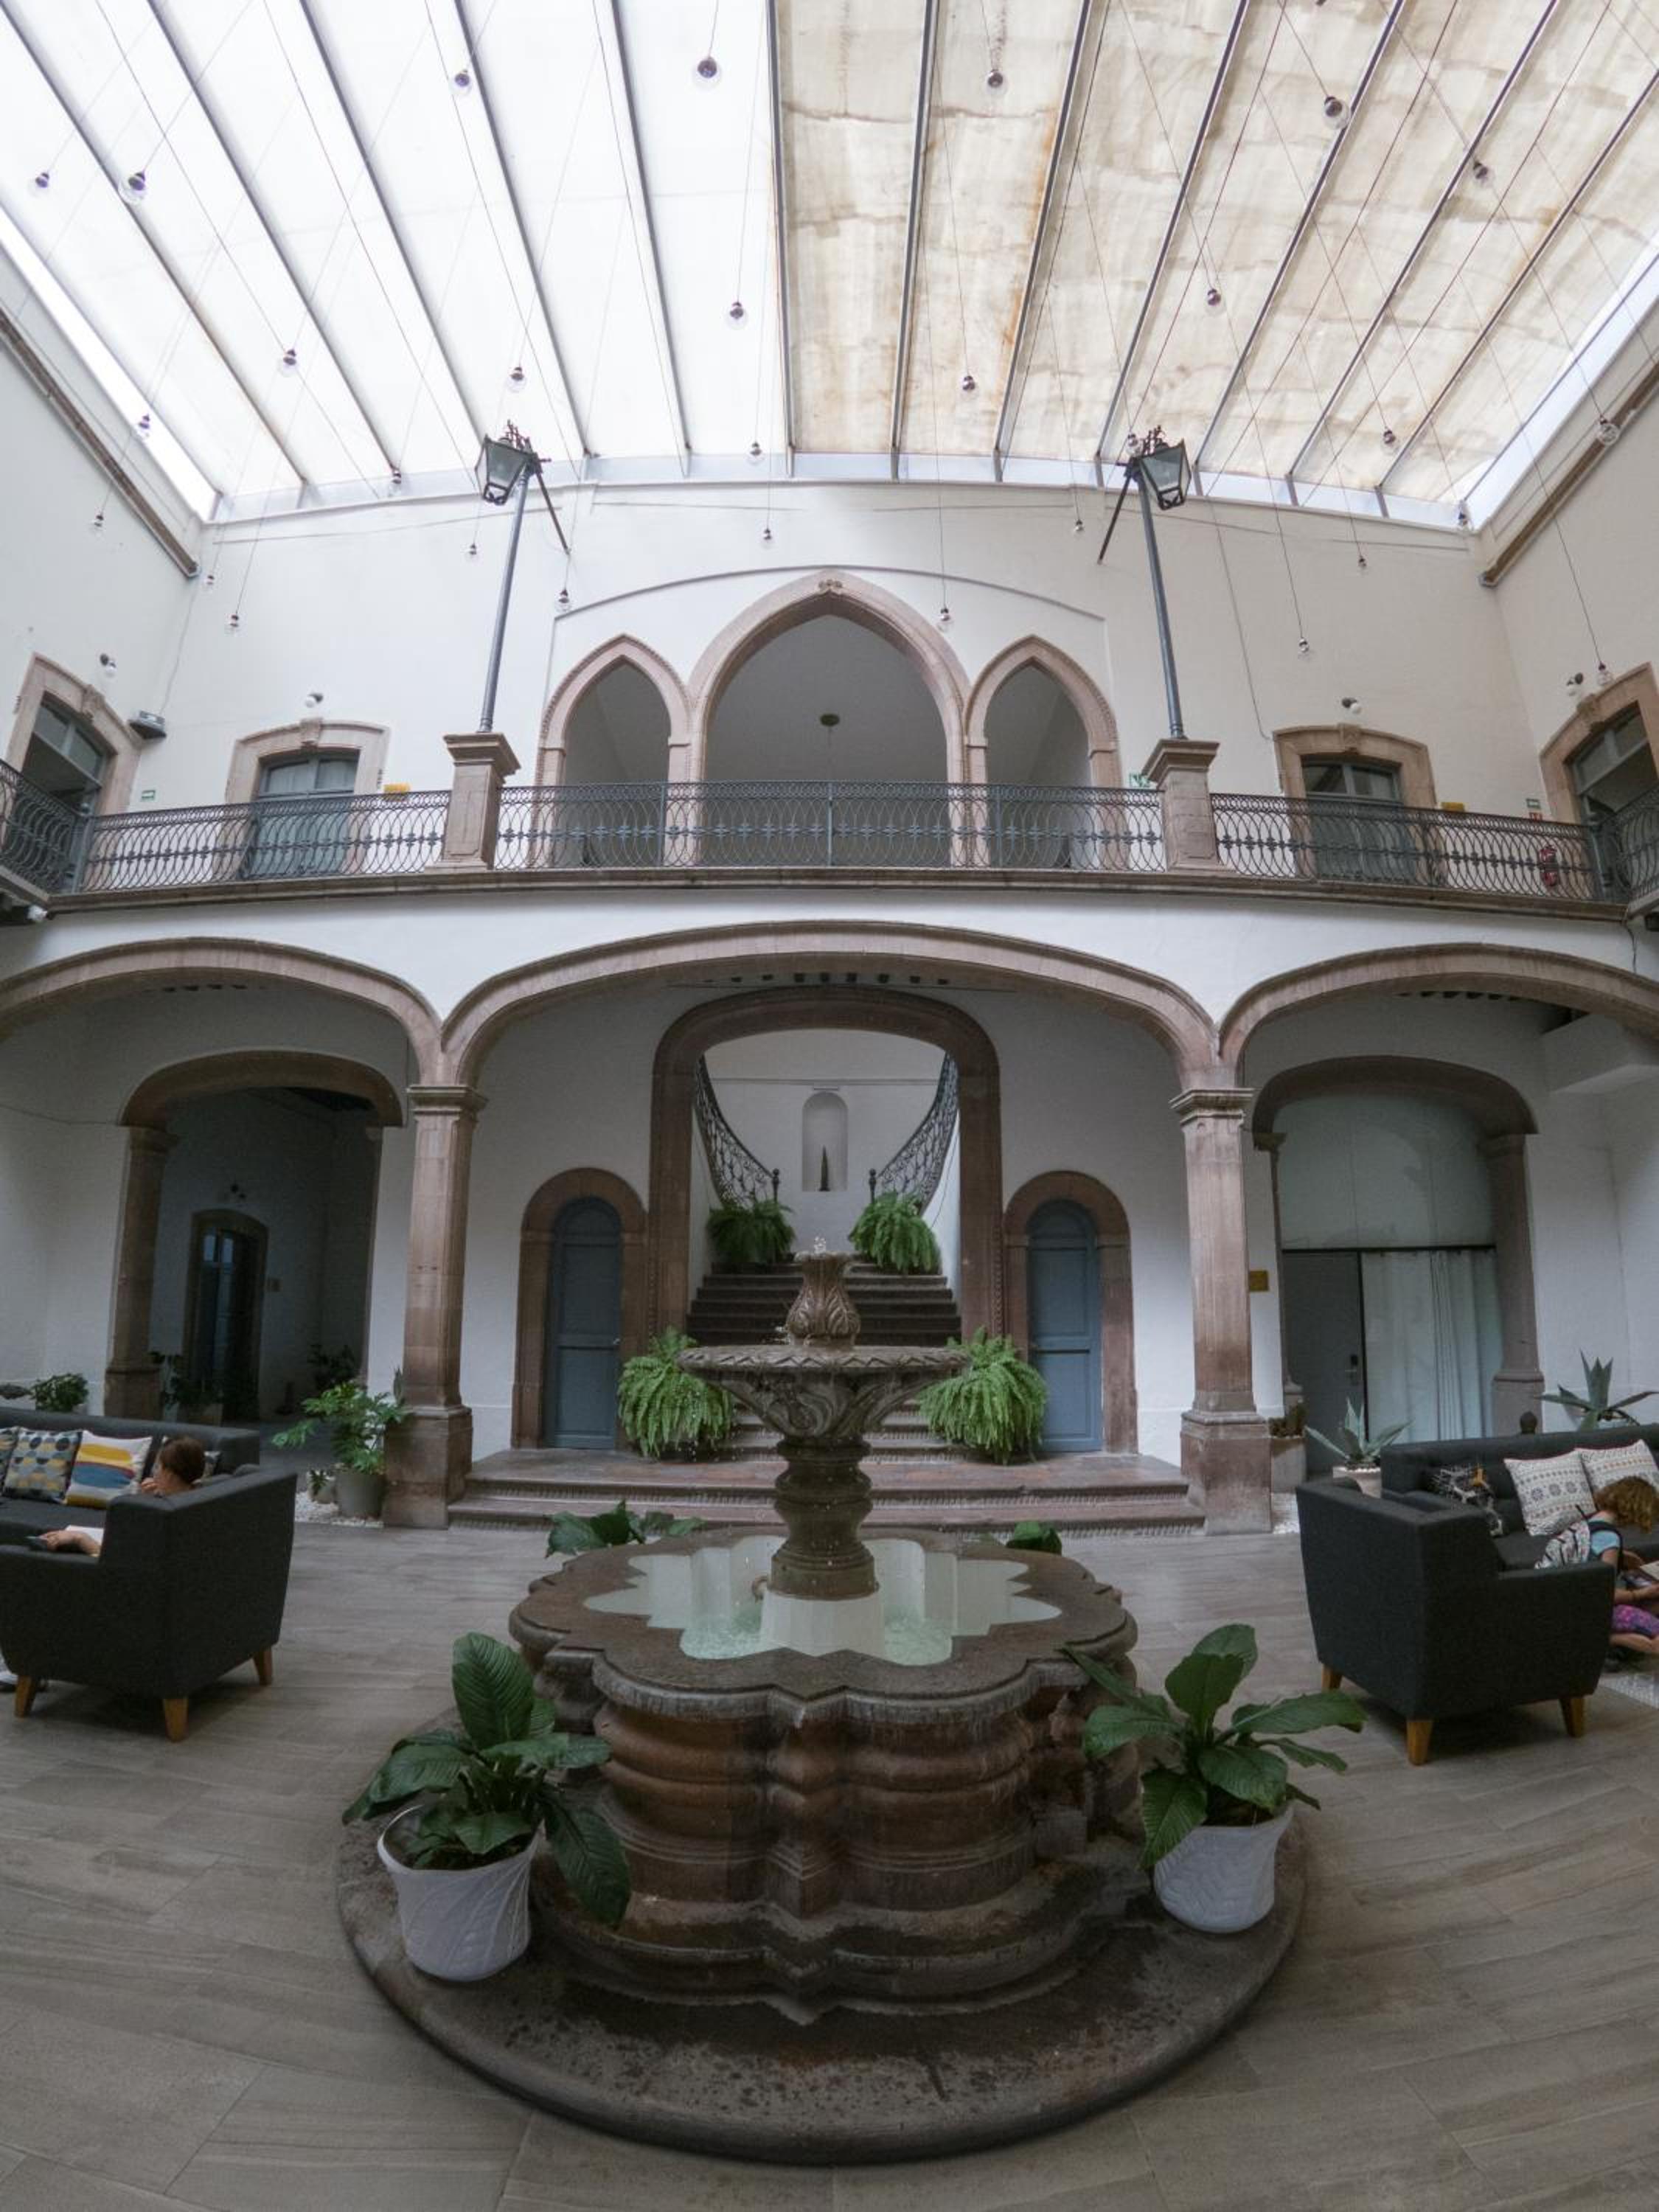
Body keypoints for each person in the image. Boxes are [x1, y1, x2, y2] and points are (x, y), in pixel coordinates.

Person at [37, 1434, 208, 1558]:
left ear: (169, 1474)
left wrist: (79, 1538)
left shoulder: (166, 1516)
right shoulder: (197, 1501)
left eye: (157, 1468)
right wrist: (147, 1502)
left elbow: (121, 1559)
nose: (154, 1474)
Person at [1589, 1476, 1659, 1658]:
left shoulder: (1587, 1525)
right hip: (1594, 1613)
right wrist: (1643, 1593)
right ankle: (1607, 1640)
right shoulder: (1609, 1539)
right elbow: (1606, 1594)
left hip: (1566, 1608)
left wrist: (1623, 1556)